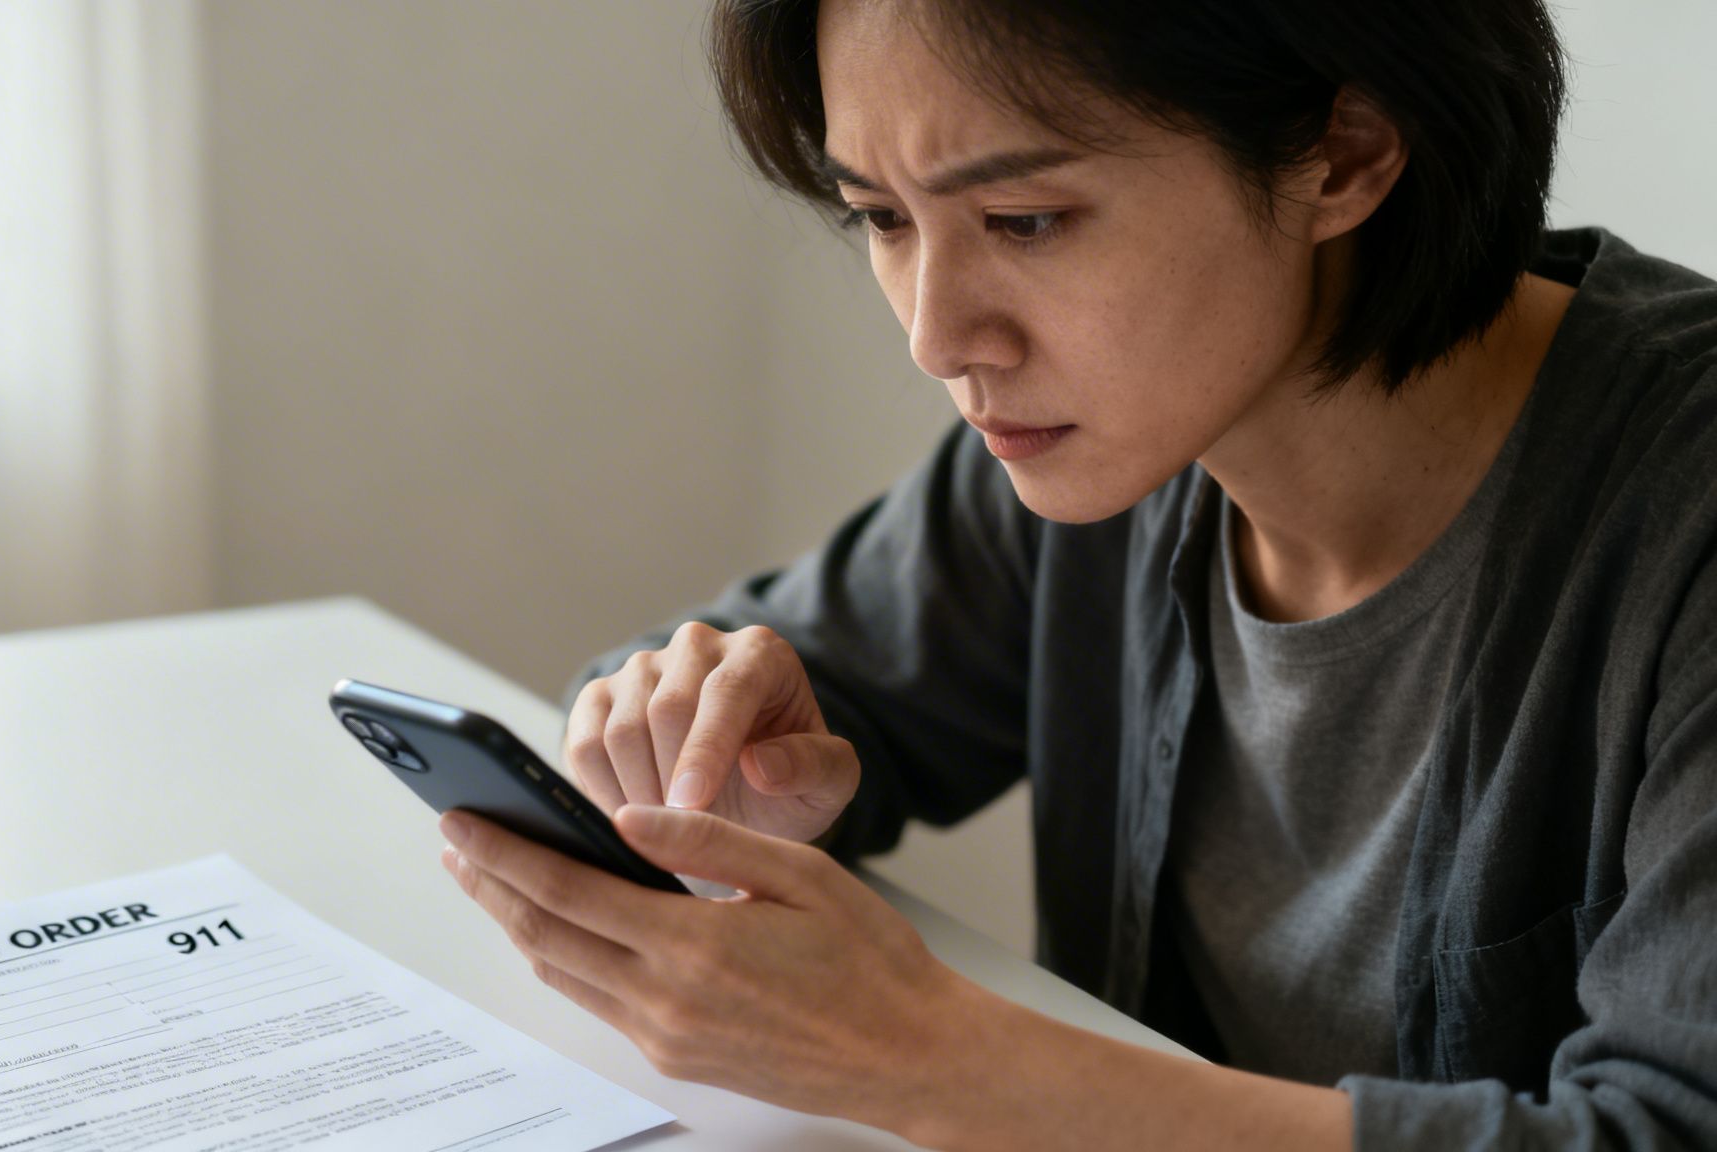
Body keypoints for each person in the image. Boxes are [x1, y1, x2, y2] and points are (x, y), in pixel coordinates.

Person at [436, 0, 1717, 1146]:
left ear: (1345, 155)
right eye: (881, 218)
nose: (937, 336)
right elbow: (786, 679)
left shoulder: (1678, 513)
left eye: (1024, 220)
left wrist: (941, 1065)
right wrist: (696, 739)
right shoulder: (1104, 455)